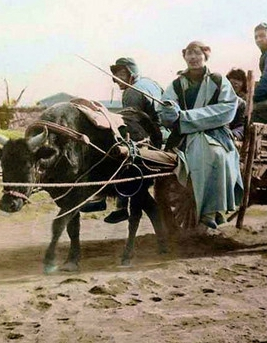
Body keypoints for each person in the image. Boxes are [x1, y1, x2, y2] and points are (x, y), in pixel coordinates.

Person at [159, 41, 243, 230]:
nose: (193, 57)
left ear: (206, 56)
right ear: (184, 57)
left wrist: (187, 117)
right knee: (173, 160)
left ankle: (211, 211)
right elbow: (165, 107)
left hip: (214, 132)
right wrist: (169, 113)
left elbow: (228, 108)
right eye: (189, 54)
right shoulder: (176, 84)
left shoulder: (218, 80)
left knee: (218, 155)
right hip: (183, 134)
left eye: (197, 53)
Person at [80, 57, 164, 224]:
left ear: (131, 73)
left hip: (153, 135)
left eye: (121, 74)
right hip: (163, 130)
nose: (117, 79)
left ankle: (112, 201)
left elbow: (131, 121)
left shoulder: (132, 91)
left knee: (114, 151)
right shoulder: (150, 83)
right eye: (115, 75)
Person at [225, 68, 247, 140]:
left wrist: (234, 134)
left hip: (230, 134)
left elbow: (242, 125)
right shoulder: (219, 97)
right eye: (233, 79)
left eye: (239, 80)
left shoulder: (243, 103)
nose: (235, 83)